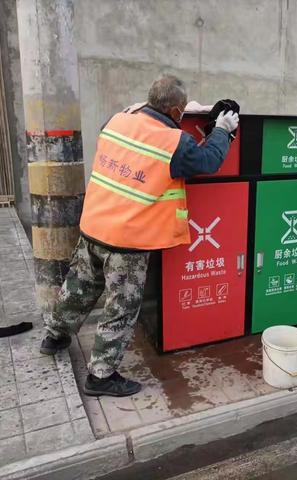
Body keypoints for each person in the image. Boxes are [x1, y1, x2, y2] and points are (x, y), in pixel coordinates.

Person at [39, 75, 239, 397]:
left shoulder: (116, 121)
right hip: (127, 240)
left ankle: (55, 335)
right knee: (122, 306)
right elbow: (208, 160)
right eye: (184, 110)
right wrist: (222, 131)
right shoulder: (175, 142)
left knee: (80, 285)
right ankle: (101, 376)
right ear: (176, 111)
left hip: (94, 224)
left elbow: (134, 127)